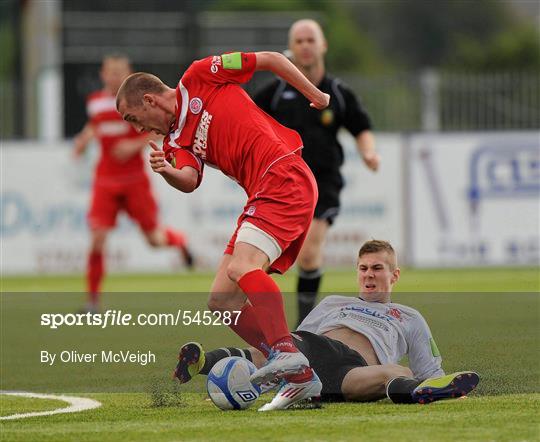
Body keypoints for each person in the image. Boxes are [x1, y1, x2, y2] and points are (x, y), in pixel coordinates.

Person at [115, 50, 333, 411]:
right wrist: (166, 171)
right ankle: (298, 378)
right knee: (222, 300)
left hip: (282, 174)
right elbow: (190, 179)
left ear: (150, 99)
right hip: (262, 191)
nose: (138, 129)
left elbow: (272, 60)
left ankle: (285, 352)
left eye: (133, 118)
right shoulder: (175, 141)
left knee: (241, 267)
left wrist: (315, 94)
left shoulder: (202, 74)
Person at [174, 240, 479, 405]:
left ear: (394, 275)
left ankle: (418, 394)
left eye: (377, 268)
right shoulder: (334, 302)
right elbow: (294, 337)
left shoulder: (409, 316)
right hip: (315, 352)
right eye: (363, 268)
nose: (369, 274)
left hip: (352, 372)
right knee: (277, 348)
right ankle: (203, 362)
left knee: (399, 372)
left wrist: (446, 386)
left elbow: (430, 370)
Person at [254, 19, 380, 326]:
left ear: (322, 45)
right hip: (281, 184)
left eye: (311, 40)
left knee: (309, 254)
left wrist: (368, 152)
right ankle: (262, 325)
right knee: (258, 260)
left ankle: (304, 329)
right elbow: (248, 125)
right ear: (291, 48)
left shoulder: (338, 92)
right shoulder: (273, 93)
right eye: (299, 41)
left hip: (323, 181)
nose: (305, 46)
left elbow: (361, 127)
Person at [73, 54, 194, 313]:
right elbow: (95, 126)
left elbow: (155, 128)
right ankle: (92, 302)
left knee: (154, 240)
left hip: (134, 180)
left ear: (128, 73)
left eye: (120, 72)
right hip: (105, 180)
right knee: (97, 240)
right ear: (103, 75)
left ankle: (180, 241)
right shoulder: (95, 102)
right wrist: (83, 140)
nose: (115, 77)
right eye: (110, 72)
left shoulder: (138, 103)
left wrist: (132, 145)